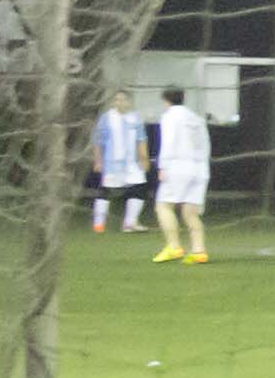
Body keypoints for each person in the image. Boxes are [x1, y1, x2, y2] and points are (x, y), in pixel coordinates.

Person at [149, 88, 209, 264]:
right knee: (190, 213)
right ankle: (199, 251)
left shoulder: (170, 117)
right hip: (200, 168)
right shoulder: (196, 118)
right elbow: (205, 145)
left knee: (163, 206)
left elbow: (168, 142)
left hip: (178, 166)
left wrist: (163, 166)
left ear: (166, 101)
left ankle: (174, 247)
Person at [89, 92, 147, 236]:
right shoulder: (107, 118)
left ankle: (130, 223)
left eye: (123, 99)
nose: (120, 102)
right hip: (112, 163)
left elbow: (141, 139)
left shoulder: (135, 118)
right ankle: (98, 224)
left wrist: (144, 158)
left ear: (129, 102)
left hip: (132, 163)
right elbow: (98, 141)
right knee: (106, 191)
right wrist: (98, 160)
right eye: (117, 100)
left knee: (138, 189)